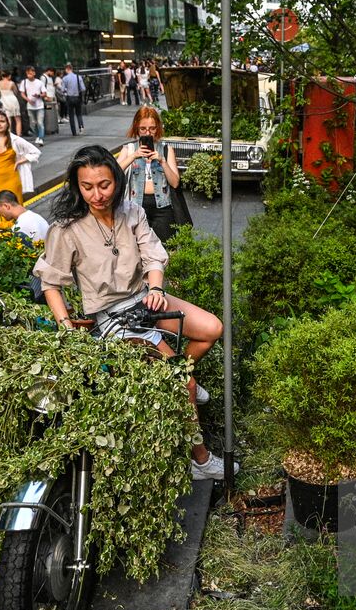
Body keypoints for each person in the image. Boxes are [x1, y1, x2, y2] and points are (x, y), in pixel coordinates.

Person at [33, 146, 230, 480]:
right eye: (87, 186)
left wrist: (155, 289)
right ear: (77, 186)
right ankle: (201, 461)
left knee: (212, 328)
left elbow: (154, 255)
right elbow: (50, 282)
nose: (97, 194)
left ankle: (183, 382)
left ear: (117, 180)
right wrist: (65, 326)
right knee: (183, 382)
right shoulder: (66, 228)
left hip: (145, 299)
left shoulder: (131, 212)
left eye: (104, 184)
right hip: (112, 319)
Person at [116, 106, 183, 243]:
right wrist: (134, 156)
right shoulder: (128, 149)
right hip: (135, 206)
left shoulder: (165, 149)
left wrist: (162, 161)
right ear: (136, 128)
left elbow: (175, 182)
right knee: (135, 249)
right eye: (143, 129)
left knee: (166, 247)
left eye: (152, 128)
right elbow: (112, 174)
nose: (148, 133)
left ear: (158, 127)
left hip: (162, 206)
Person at [0, 109, 41, 204]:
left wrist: (20, 161)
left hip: (12, 181)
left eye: (2, 121)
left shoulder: (15, 139)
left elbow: (35, 152)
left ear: (7, 123)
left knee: (14, 210)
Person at [19, 66, 47, 146]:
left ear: (34, 73)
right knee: (33, 123)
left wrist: (38, 95)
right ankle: (37, 136)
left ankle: (41, 138)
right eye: (28, 74)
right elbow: (22, 93)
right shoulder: (24, 82)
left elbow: (44, 93)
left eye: (31, 73)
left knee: (40, 122)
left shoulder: (39, 82)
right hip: (30, 106)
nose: (29, 75)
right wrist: (28, 100)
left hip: (39, 105)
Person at [59, 63, 86, 135]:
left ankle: (74, 132)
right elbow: (83, 88)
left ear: (67, 69)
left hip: (69, 98)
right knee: (79, 114)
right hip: (77, 97)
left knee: (71, 115)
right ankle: (81, 127)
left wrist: (66, 91)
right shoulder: (78, 77)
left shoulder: (65, 78)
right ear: (72, 69)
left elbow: (62, 90)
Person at [0, 69, 22, 136]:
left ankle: (9, 135)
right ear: (9, 76)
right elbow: (16, 92)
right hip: (12, 100)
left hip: (4, 100)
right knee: (17, 119)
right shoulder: (11, 83)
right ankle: (18, 136)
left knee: (8, 119)